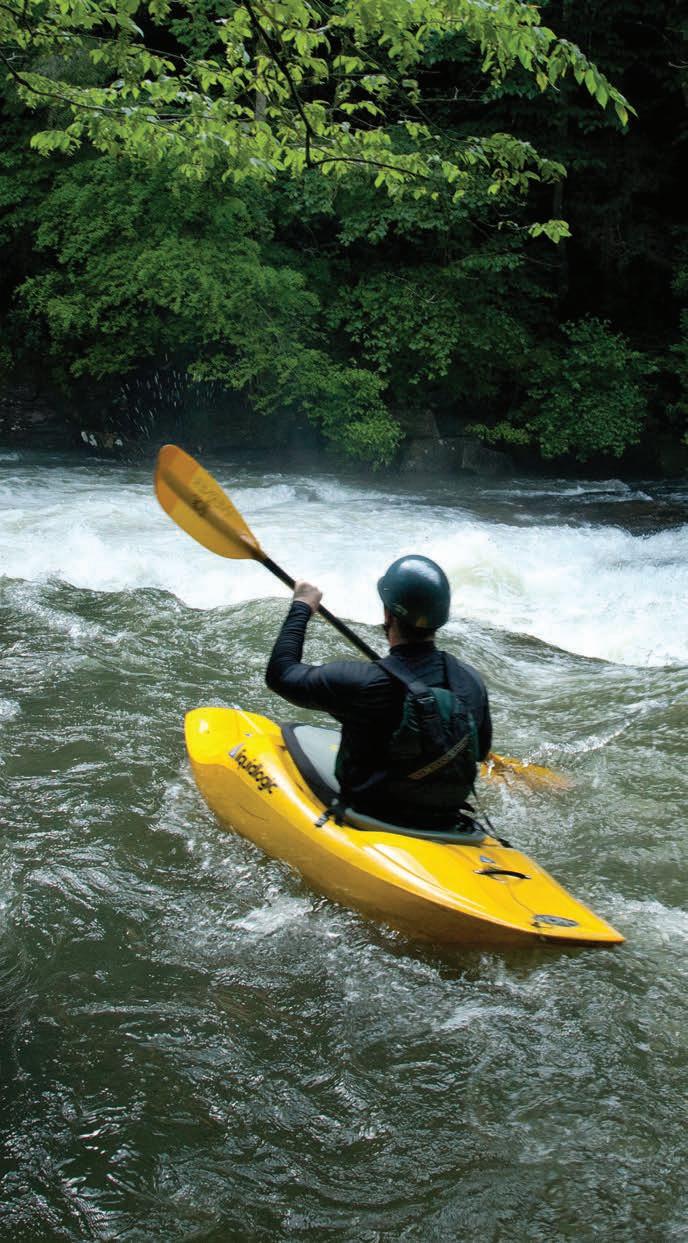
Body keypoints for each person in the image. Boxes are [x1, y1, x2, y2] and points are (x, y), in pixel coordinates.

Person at [265, 555, 492, 829]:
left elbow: (281, 674)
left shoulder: (363, 682)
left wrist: (302, 604)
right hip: (447, 821)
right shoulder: (470, 681)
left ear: (388, 614)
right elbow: (480, 751)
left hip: (375, 818)